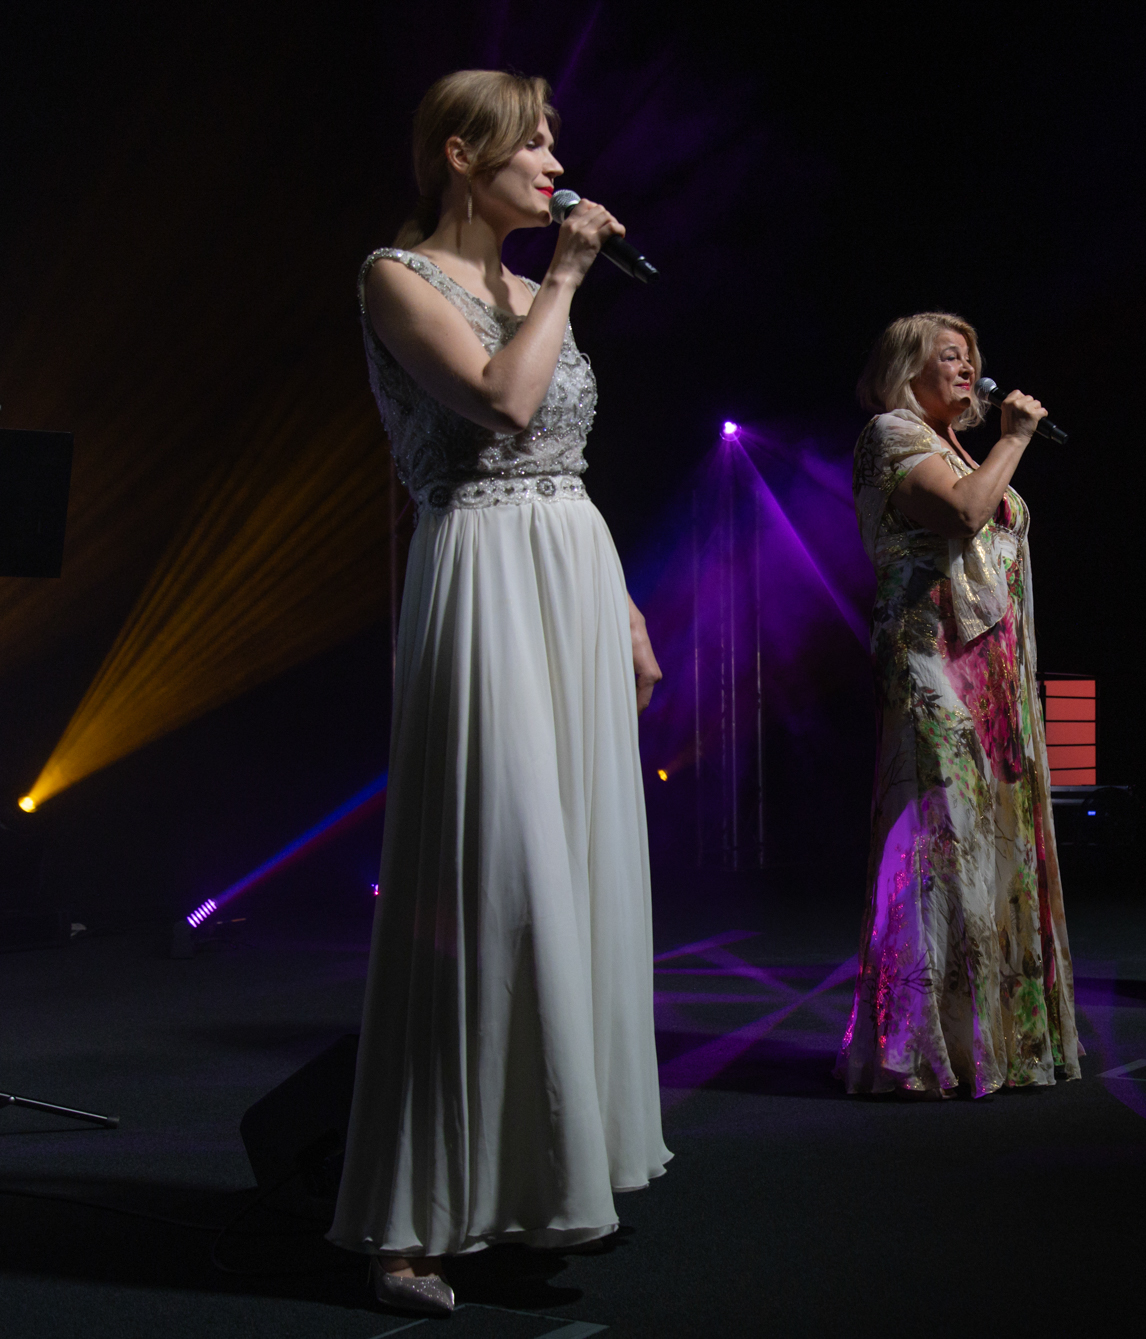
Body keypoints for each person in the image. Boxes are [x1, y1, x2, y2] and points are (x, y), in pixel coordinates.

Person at [327, 70, 670, 1313]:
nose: (556, 164)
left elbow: (565, 456)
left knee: (571, 878)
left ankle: (535, 1182)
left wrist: (623, 605)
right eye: (534, 143)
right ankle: (411, 1219)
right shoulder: (396, 276)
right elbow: (502, 402)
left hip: (570, 569)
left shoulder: (533, 289)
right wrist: (569, 275)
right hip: (481, 575)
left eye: (556, 144)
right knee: (488, 877)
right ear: (463, 156)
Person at [836, 313, 1081, 1097]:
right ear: (907, 366)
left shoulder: (960, 446)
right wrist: (1016, 440)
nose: (969, 367)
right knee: (938, 836)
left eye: (972, 356)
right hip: (931, 656)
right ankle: (919, 1047)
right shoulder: (891, 434)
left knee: (993, 839)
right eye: (950, 356)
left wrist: (997, 446)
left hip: (991, 665)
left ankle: (994, 1040)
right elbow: (966, 512)